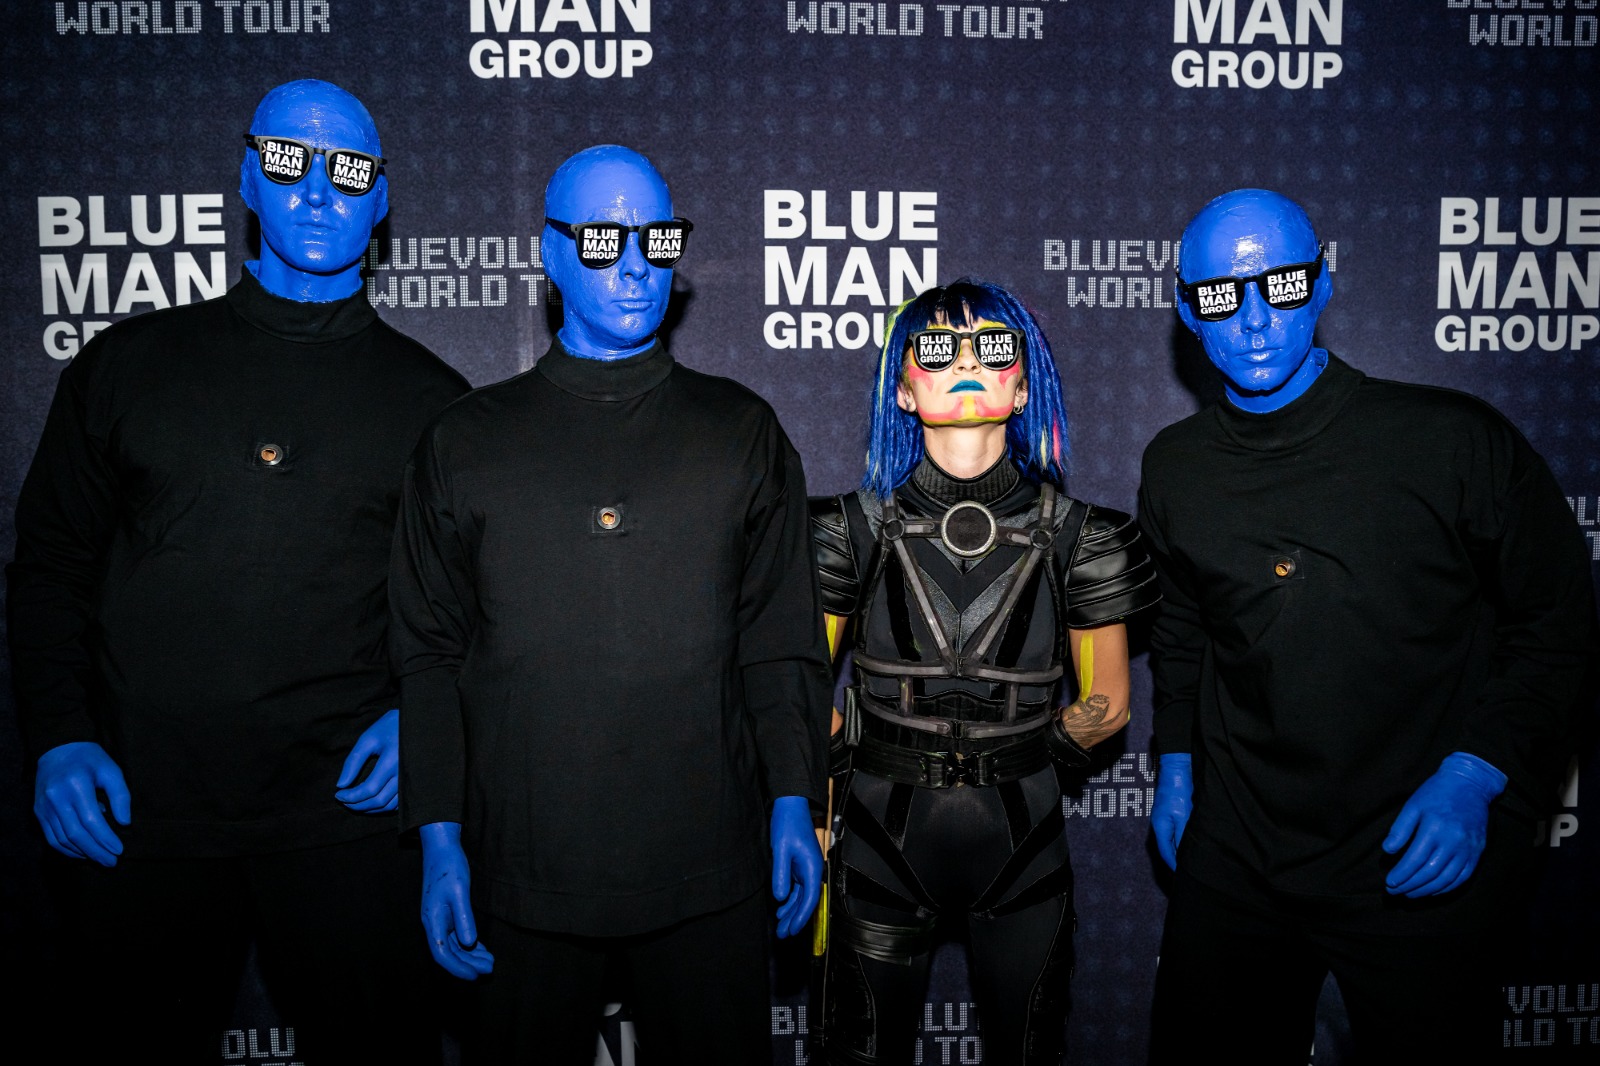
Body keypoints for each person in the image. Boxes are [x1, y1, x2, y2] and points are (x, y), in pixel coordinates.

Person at [9, 79, 468, 1062]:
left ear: (382, 198)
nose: (319, 190)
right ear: (250, 179)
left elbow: (471, 607)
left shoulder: (436, 403)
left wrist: (423, 720)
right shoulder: (128, 364)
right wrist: (58, 737)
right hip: (140, 814)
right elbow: (50, 563)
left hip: (349, 821)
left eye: (349, 169)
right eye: (291, 160)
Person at [390, 144, 830, 1064]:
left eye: (655, 239)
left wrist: (796, 798)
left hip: (713, 869)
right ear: (548, 255)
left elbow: (780, 638)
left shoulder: (741, 431)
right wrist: (438, 842)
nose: (634, 263)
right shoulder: (464, 441)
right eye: (600, 239)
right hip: (521, 873)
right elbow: (428, 654)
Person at [1140, 188, 1597, 1061]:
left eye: (1279, 285)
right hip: (1237, 855)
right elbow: (1184, 632)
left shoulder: (1452, 441)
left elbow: (1558, 623)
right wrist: (1176, 764)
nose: (1253, 320)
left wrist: (1477, 774)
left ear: (1320, 283)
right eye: (1221, 296)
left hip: (1410, 850)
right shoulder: (1175, 467)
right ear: (1189, 314)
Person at [809, 279, 1160, 1065]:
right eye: (938, 349)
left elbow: (1108, 702)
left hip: (1022, 843)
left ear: (1024, 384)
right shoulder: (843, 532)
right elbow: (799, 691)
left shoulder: (1086, 538)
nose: (966, 363)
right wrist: (831, 797)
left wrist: (1026, 756)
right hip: (879, 839)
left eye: (992, 347)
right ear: (903, 389)